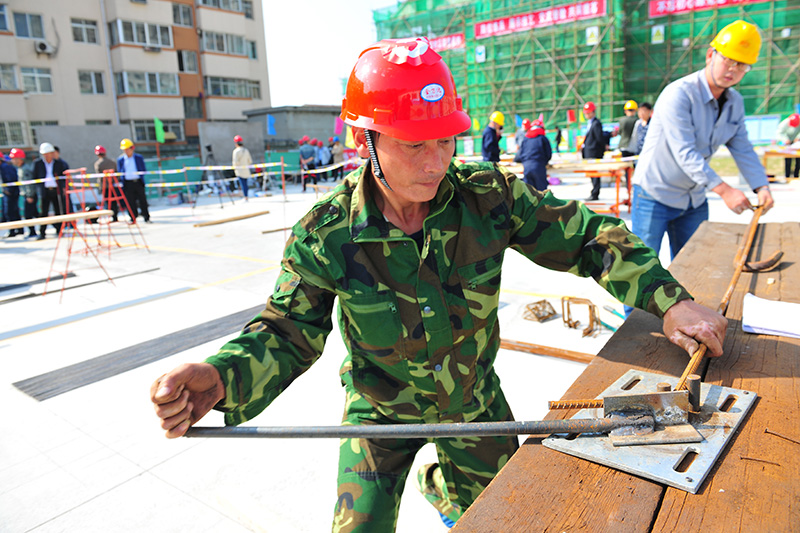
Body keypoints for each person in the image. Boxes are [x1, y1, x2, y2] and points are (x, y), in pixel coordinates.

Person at [150, 37, 728, 532]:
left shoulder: (488, 197)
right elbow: (288, 331)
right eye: (413, 144)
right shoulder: (326, 233)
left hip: (476, 406)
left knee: (508, 519)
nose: (435, 162)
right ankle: (432, 475)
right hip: (379, 416)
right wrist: (221, 378)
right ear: (365, 140)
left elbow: (586, 237)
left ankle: (443, 482)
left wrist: (669, 302)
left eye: (445, 140)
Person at [631, 19, 774, 263]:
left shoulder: (735, 103)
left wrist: (762, 186)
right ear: (710, 55)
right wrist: (725, 190)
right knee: (642, 269)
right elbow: (684, 152)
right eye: (728, 60)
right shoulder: (679, 94)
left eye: (742, 65)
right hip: (654, 194)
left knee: (692, 267)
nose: (733, 70)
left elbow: (742, 147)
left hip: (693, 199)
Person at [33, 142, 69, 240]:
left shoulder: (59, 164)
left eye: (48, 153)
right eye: (45, 154)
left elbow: (63, 177)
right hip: (44, 191)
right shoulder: (38, 164)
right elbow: (35, 177)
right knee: (43, 212)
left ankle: (59, 230)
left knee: (58, 211)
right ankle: (42, 233)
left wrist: (63, 188)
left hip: (56, 190)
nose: (47, 155)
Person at [117, 138, 150, 223]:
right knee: (130, 202)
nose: (126, 151)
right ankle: (133, 218)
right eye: (124, 149)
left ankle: (146, 217)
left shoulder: (138, 158)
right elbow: (120, 171)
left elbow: (143, 169)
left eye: (127, 149)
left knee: (143, 200)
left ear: (132, 148)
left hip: (138, 182)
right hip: (128, 183)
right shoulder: (121, 160)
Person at [514, 120, 552, 191]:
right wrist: (544, 163)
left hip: (526, 167)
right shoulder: (543, 138)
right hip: (538, 166)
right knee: (541, 191)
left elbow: (520, 154)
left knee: (529, 192)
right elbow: (548, 154)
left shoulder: (526, 139)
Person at [9, 148, 38, 238]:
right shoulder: (20, 168)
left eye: (14, 158)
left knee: (28, 215)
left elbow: (29, 183)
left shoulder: (25, 169)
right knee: (35, 214)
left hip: (29, 195)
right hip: (26, 195)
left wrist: (30, 195)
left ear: (19, 159)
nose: (12, 161)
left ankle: (32, 232)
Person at [581, 101, 606, 200]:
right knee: (592, 173)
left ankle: (595, 193)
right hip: (589, 152)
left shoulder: (596, 123)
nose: (586, 115)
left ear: (593, 112)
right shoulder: (590, 123)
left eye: (588, 112)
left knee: (595, 174)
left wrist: (601, 151)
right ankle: (594, 192)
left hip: (594, 152)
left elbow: (599, 138)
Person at [94, 145, 120, 222]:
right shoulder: (112, 162)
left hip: (105, 186)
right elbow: (116, 174)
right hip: (113, 185)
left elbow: (99, 177)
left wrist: (100, 187)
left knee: (108, 202)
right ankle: (115, 217)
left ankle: (111, 216)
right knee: (114, 202)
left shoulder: (98, 164)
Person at [1, 151, 21, 237]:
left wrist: (8, 190)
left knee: (9, 212)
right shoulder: (4, 166)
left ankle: (13, 231)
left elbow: (11, 179)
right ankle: (19, 229)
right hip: (9, 193)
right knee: (13, 212)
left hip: (11, 193)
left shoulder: (5, 167)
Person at [775, 113, 800, 179]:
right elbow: (779, 134)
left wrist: (798, 138)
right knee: (788, 159)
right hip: (787, 143)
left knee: (798, 159)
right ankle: (787, 176)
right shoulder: (784, 124)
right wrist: (785, 139)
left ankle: (796, 176)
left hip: (797, 143)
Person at [232, 135, 254, 201]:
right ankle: (246, 196)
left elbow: (235, 162)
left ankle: (245, 197)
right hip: (246, 170)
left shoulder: (236, 151)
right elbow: (250, 161)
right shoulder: (246, 150)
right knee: (245, 184)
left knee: (242, 184)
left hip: (240, 171)